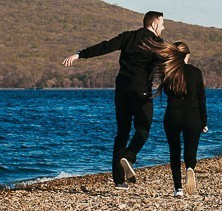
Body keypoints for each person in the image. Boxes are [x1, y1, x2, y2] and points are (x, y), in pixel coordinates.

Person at [62, 11, 165, 190]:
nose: (164, 27)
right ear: (154, 25)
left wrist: (79, 54)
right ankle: (130, 157)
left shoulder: (128, 37)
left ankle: (119, 181)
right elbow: (167, 65)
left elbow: (105, 46)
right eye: (162, 24)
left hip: (122, 91)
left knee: (122, 132)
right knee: (143, 128)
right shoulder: (157, 43)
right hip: (141, 92)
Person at [146, 40, 207, 196]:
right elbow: (201, 99)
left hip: (172, 116)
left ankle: (178, 189)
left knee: (174, 151)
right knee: (190, 149)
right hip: (192, 117)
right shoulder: (196, 72)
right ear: (187, 55)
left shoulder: (168, 72)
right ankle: (190, 168)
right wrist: (204, 122)